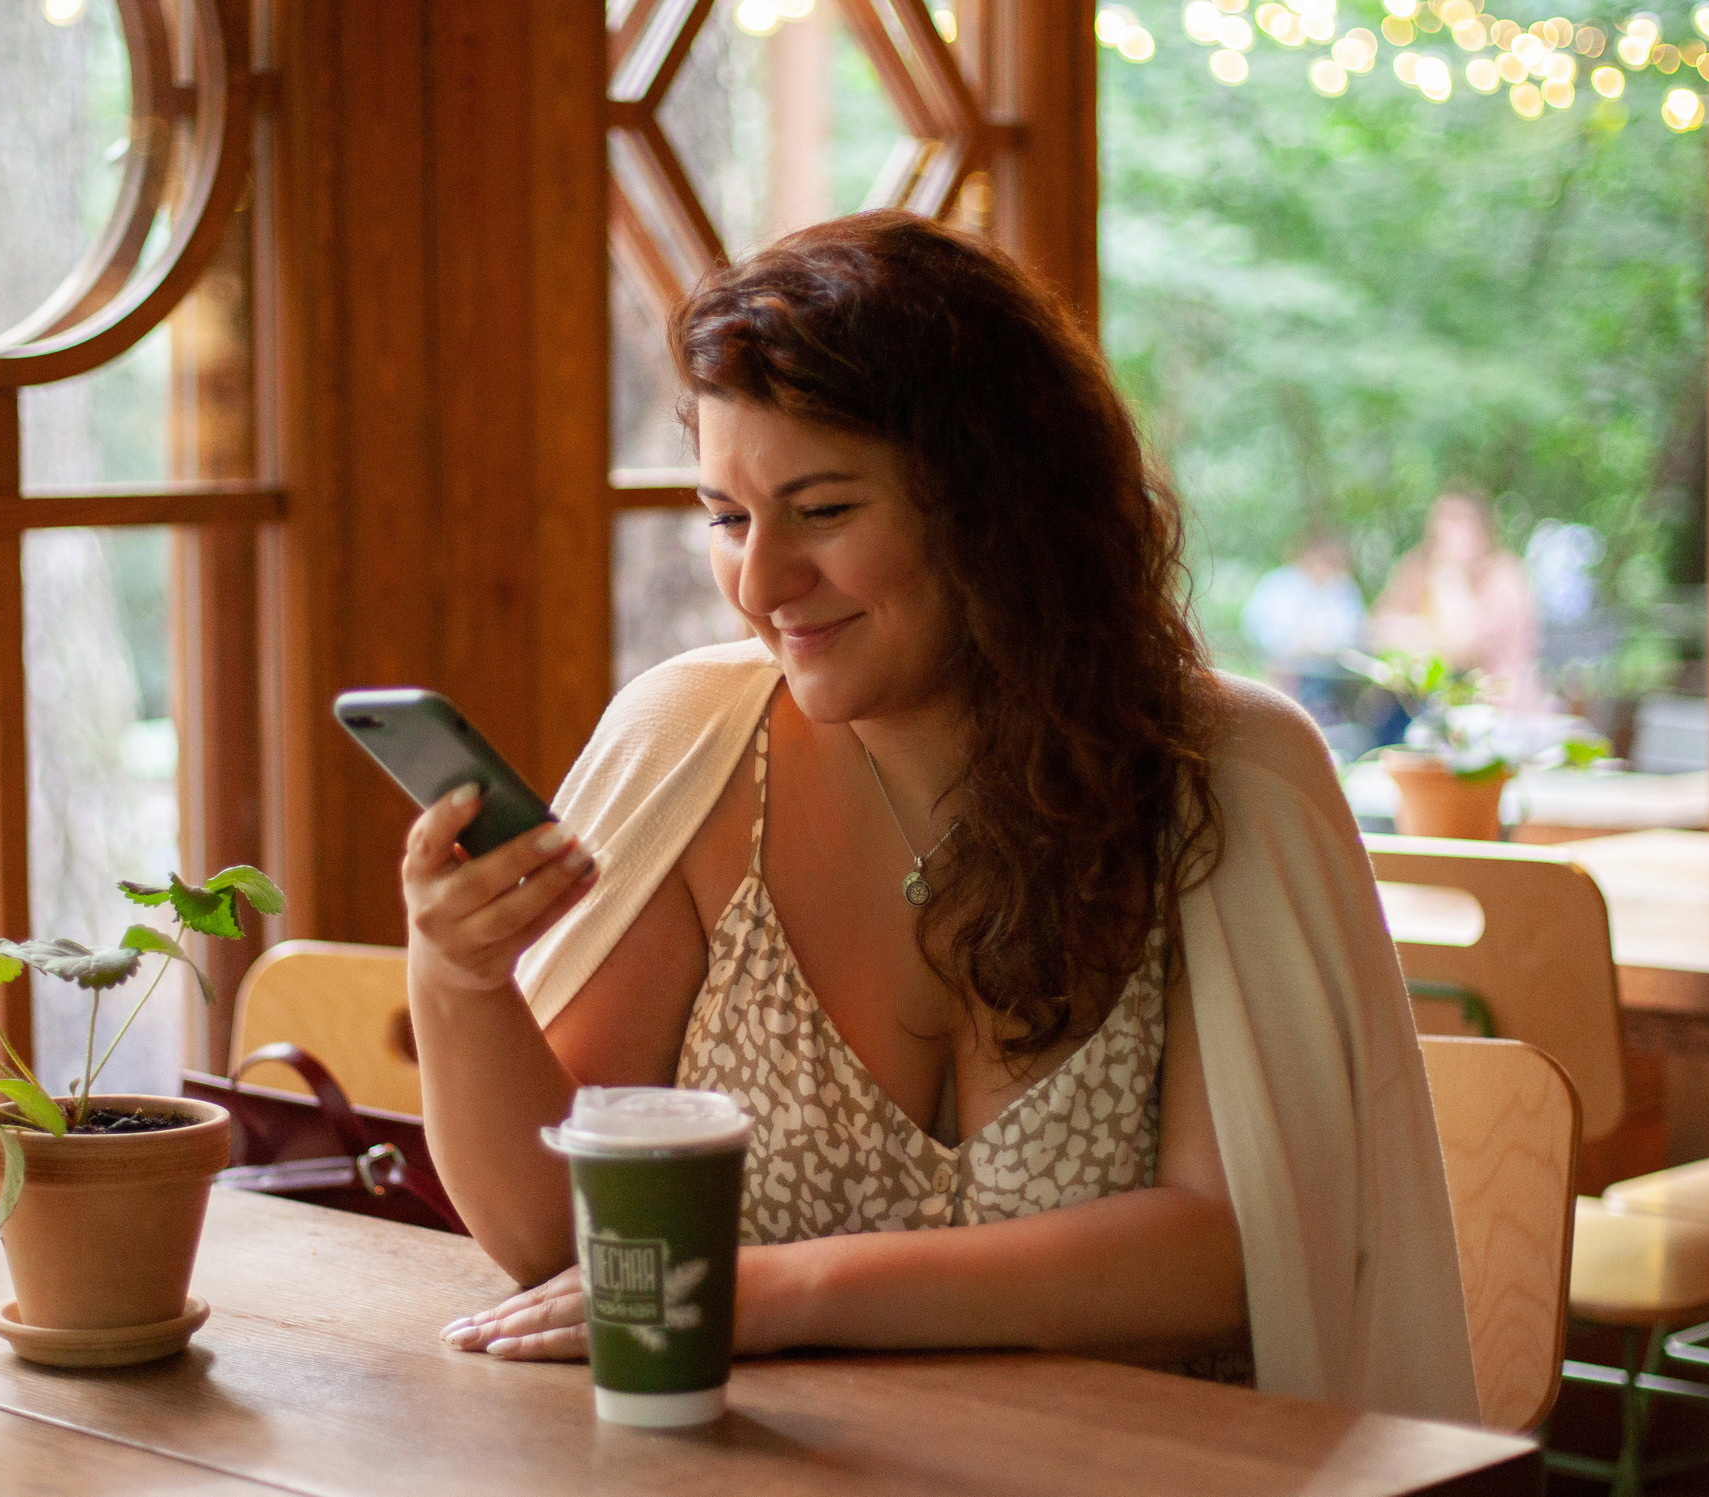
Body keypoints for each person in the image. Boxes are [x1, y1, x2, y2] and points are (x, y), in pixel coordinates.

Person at [405, 213, 1477, 1420]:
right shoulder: (692, 750)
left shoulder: (1223, 772)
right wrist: (458, 981)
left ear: (993, 505)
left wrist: (784, 1293)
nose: (760, 585)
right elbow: (564, 1240)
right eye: (725, 517)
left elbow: (1222, 1255)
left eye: (819, 512)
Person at [1370, 492, 1541, 708]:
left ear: (1483, 529)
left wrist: (1449, 573)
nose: (1449, 530)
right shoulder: (1418, 568)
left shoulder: (1504, 576)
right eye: (1443, 520)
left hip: (1495, 711)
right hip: (1418, 705)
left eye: (1460, 520)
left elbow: (1463, 649)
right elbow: (1380, 628)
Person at [1240, 531, 1367, 722]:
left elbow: (1354, 633)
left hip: (1330, 678)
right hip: (1284, 670)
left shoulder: (1343, 589)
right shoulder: (1278, 584)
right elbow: (1256, 625)